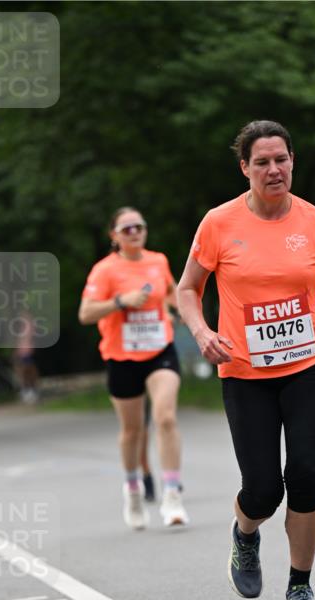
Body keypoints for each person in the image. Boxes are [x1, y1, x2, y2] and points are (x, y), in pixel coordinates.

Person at [178, 120, 315, 600]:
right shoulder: (218, 224)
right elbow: (186, 290)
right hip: (243, 369)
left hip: (309, 362)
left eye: (280, 159)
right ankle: (245, 534)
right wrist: (201, 333)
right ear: (245, 169)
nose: (273, 169)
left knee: (306, 474)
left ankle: (300, 586)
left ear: (292, 161)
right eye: (261, 161)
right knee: (263, 488)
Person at [78, 206, 188, 528]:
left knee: (165, 417)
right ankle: (133, 489)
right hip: (121, 357)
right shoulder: (105, 271)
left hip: (159, 351)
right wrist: (119, 302)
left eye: (139, 226)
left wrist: (194, 319)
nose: (134, 232)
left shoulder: (158, 261)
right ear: (114, 236)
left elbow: (172, 294)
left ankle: (172, 494)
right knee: (132, 431)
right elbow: (85, 313)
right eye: (126, 229)